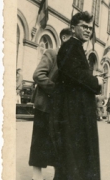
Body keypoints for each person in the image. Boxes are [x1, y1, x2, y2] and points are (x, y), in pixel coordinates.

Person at [49, 11, 105, 180]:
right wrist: (96, 81)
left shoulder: (75, 47)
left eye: (90, 28)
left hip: (76, 111)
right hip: (72, 114)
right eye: (84, 27)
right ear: (73, 28)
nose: (88, 31)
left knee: (74, 159)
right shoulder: (70, 46)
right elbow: (73, 73)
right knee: (73, 158)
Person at [28, 28, 72, 180]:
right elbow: (38, 74)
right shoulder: (52, 53)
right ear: (64, 38)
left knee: (57, 145)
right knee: (40, 142)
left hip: (60, 110)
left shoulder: (70, 60)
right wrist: (56, 91)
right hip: (45, 107)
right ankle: (36, 177)